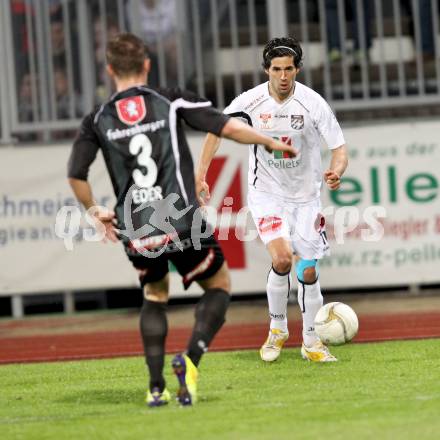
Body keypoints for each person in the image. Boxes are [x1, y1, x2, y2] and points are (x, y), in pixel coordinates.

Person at [67, 33, 294, 407]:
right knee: (218, 286)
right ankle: (189, 361)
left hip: (136, 226)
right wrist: (268, 141)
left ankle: (155, 388)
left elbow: (76, 173)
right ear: (146, 65)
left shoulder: (98, 118)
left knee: (154, 295)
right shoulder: (169, 100)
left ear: (109, 70)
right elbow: (226, 126)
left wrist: (94, 211)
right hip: (180, 218)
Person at [196, 36, 348, 364]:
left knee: (307, 271)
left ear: (297, 69)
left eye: (288, 69)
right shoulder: (250, 101)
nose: (282, 76)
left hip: (306, 198)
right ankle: (277, 329)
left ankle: (312, 342)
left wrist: (336, 171)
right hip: (267, 195)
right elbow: (214, 129)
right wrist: (201, 174)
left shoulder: (313, 103)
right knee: (281, 260)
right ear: (266, 69)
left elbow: (339, 147)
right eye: (276, 69)